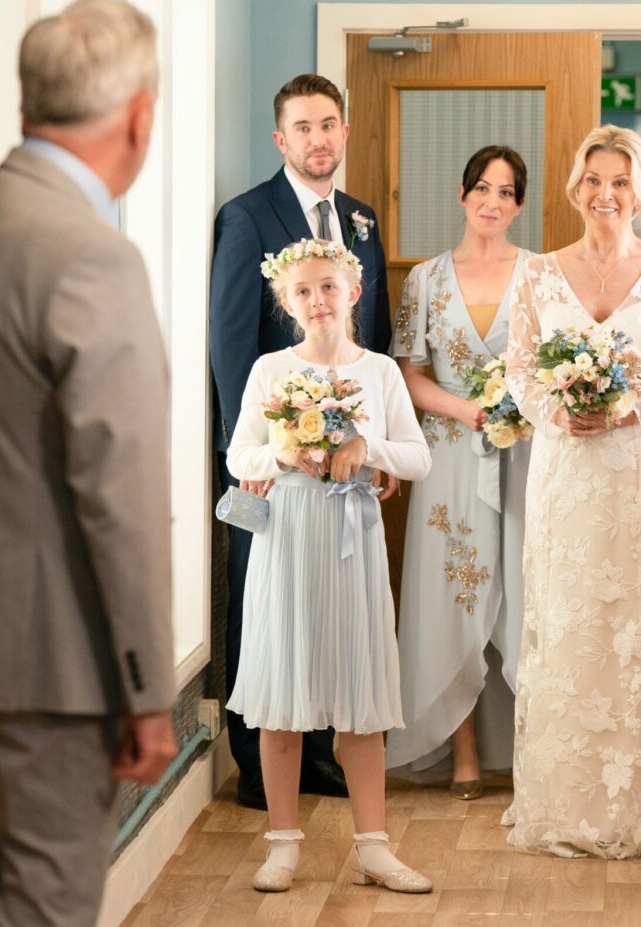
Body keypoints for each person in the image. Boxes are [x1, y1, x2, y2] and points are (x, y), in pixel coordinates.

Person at [0, 4, 176, 927]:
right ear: (138, 117)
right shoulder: (90, 253)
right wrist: (148, 687)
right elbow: (123, 494)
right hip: (62, 662)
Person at [502, 126, 641, 858]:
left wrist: (630, 408)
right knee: (567, 619)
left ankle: (636, 803)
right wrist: (557, 409)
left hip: (638, 473)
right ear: (574, 186)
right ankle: (562, 802)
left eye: (621, 181)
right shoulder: (536, 274)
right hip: (565, 472)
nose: (606, 194)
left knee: (632, 623)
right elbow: (520, 371)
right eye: (594, 179)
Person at [210, 73, 393, 809]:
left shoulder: (361, 219)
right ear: (281, 139)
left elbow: (369, 340)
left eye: (328, 125)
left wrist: (368, 442)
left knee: (329, 603)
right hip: (270, 463)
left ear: (345, 132)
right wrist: (248, 455)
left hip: (345, 464)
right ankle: (256, 761)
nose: (318, 139)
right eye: (303, 127)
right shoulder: (248, 217)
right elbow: (230, 342)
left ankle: (319, 753)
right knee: (261, 598)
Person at [226, 238, 433, 892]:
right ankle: (283, 845)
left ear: (354, 291)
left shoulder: (380, 372)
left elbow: (417, 456)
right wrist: (283, 454)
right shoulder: (269, 371)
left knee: (361, 700)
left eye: (328, 287)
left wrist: (369, 447)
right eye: (304, 292)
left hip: (353, 538)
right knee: (282, 696)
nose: (318, 301)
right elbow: (240, 459)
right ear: (288, 302)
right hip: (287, 540)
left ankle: (373, 845)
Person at [384, 146, 535, 798]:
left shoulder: (540, 277)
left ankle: (536, 752)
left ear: (519, 205)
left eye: (505, 192)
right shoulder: (424, 280)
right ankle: (463, 750)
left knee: (529, 598)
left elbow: (553, 368)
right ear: (462, 194)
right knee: (454, 600)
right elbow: (408, 372)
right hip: (446, 457)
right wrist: (467, 410)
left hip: (524, 457)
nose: (492, 202)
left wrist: (513, 408)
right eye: (482, 188)